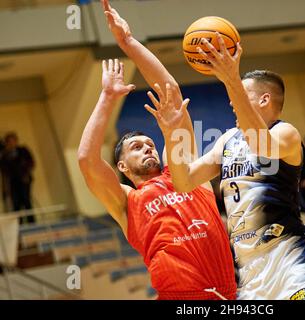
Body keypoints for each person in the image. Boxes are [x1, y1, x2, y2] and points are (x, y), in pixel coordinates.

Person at [147, 33, 305, 299]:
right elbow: (184, 181)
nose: (233, 102)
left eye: (242, 95)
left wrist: (230, 78)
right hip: (250, 276)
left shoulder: (286, 133)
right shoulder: (226, 140)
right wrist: (171, 132)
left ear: (264, 100)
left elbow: (261, 145)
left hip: (290, 264)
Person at [78, 0, 236, 300]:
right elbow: (87, 160)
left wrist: (128, 42)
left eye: (150, 144)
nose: (148, 148)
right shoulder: (127, 202)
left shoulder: (186, 172)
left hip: (227, 295)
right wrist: (108, 97)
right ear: (122, 167)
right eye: (136, 148)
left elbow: (171, 94)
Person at [0, 132, 35, 223]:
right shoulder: (5, 155)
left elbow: (31, 162)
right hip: (12, 181)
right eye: (9, 141)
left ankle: (32, 222)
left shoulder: (23, 150)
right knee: (16, 203)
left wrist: (25, 171)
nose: (11, 143)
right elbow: (4, 168)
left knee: (26, 200)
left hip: (24, 180)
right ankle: (19, 224)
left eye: (13, 141)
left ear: (16, 141)